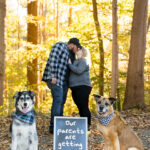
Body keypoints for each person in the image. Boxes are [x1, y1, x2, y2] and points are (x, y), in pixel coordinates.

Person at [42, 38, 82, 134]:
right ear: (72, 44)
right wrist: (53, 76)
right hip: (55, 79)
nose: (77, 50)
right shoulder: (60, 45)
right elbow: (53, 60)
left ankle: (59, 124)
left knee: (61, 102)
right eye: (76, 47)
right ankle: (53, 126)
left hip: (64, 82)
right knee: (58, 100)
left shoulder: (70, 54)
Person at [68, 47, 92, 130]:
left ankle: (88, 124)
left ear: (83, 52)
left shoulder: (83, 60)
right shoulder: (77, 61)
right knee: (80, 106)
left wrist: (69, 64)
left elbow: (78, 70)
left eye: (79, 50)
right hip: (75, 87)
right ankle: (83, 123)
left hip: (83, 86)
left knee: (83, 106)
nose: (77, 52)